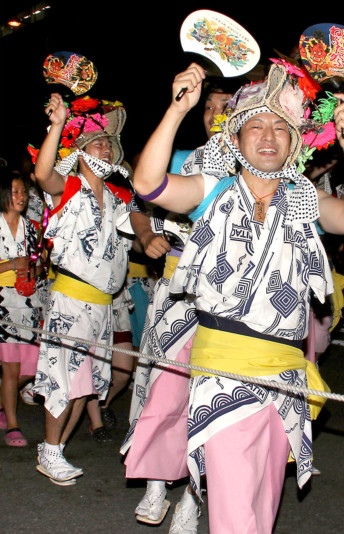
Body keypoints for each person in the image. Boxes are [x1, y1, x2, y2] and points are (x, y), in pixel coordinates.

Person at [132, 60, 344, 532]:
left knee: (261, 505)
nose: (268, 136)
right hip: (223, 371)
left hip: (284, 376)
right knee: (237, 510)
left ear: (295, 142)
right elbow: (148, 185)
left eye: (280, 127)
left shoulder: (305, 199)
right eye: (255, 125)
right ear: (236, 139)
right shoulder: (214, 191)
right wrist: (178, 108)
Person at [122, 80, 235, 531]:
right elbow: (137, 201)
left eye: (224, 105)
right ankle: (155, 481)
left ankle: (192, 496)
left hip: (228, 304)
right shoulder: (178, 158)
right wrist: (148, 235)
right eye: (207, 106)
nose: (213, 113)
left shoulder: (258, 171)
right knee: (160, 390)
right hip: (173, 296)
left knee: (212, 402)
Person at [31, 93, 132, 485]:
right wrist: (57, 125)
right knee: (64, 379)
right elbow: (42, 175)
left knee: (84, 386)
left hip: (103, 305)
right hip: (71, 298)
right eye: (97, 141)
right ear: (80, 150)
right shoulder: (69, 187)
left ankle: (53, 449)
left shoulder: (119, 198)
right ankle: (51, 449)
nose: (105, 146)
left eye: (109, 142)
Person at [0, 167, 41, 447]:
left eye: (24, 191)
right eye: (15, 192)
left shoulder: (31, 228)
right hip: (2, 304)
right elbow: (17, 263)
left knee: (35, 365)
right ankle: (12, 425)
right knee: (11, 369)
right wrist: (14, 265)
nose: (21, 197)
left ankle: (4, 404)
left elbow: (38, 265)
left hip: (28, 304)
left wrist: (33, 272)